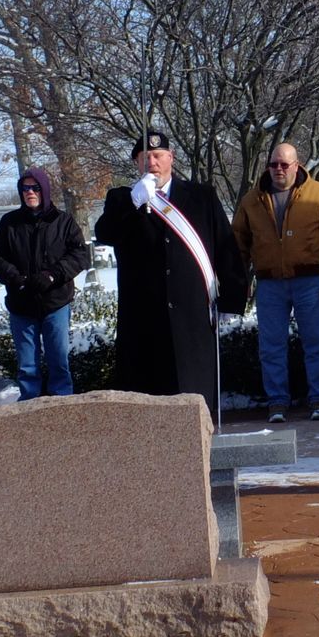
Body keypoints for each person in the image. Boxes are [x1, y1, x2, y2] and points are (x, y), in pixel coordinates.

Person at [94, 130, 247, 425]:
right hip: (145, 318)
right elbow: (105, 234)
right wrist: (134, 203)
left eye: (158, 156)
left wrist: (231, 298)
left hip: (192, 316)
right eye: (145, 157)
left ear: (171, 159)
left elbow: (226, 248)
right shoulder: (122, 199)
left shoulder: (201, 196)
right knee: (148, 402)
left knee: (195, 395)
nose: (153, 163)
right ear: (137, 163)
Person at [231, 141, 319, 422]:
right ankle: (277, 401)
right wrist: (239, 278)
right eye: (273, 164)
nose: (278, 169)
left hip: (309, 280)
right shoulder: (252, 200)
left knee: (317, 343)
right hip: (269, 283)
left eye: (284, 164)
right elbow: (238, 243)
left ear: (296, 166)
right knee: (271, 346)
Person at [0, 167, 90, 399]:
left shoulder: (63, 221)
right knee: (27, 367)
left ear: (44, 190)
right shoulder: (10, 223)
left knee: (58, 362)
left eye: (35, 188)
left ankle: (61, 406)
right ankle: (29, 410)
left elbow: (79, 255)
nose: (30, 193)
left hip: (55, 302)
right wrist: (15, 278)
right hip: (22, 304)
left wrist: (52, 275)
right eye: (25, 189)